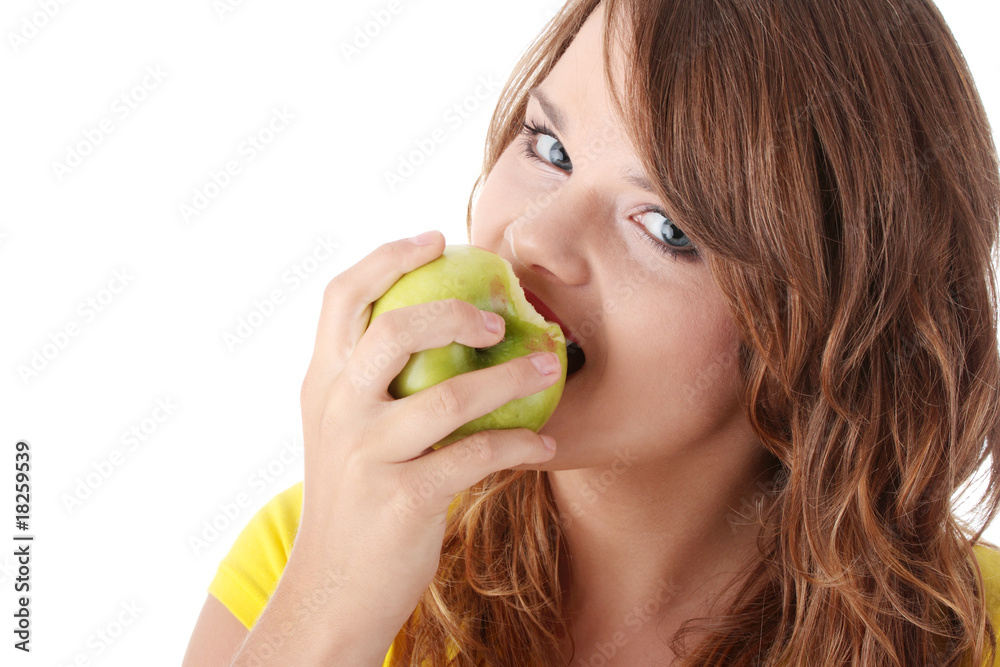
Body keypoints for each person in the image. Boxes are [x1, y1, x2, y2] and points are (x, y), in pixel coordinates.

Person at [181, 0, 1000, 664]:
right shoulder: (313, 548)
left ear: (831, 330)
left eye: (666, 226)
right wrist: (328, 612)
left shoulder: (977, 634)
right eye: (550, 147)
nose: (535, 236)